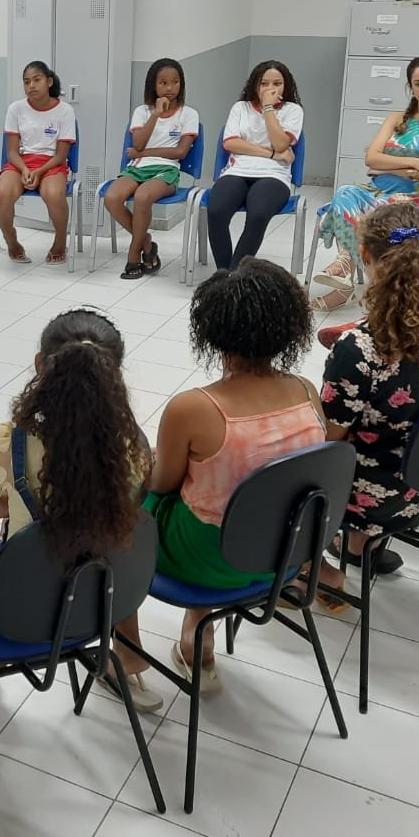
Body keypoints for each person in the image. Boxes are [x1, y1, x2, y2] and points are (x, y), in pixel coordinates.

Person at [0, 309, 161, 712]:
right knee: (103, 536)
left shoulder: (11, 442)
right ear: (115, 373)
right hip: (105, 595)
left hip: (25, 603)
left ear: (40, 365)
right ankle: (127, 651)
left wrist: (12, 491)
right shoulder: (134, 446)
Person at [145, 258, 322, 688]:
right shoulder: (306, 392)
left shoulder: (193, 407)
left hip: (209, 558)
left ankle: (131, 649)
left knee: (131, 500)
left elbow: (163, 486)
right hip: (285, 551)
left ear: (211, 330)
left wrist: (143, 461)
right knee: (219, 494)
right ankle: (198, 630)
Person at [313, 204, 419, 596]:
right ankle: (360, 545)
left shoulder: (360, 347)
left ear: (364, 255)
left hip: (372, 496)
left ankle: (309, 566)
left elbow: (327, 441)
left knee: (272, 460)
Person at [311, 56, 419, 314]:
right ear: (410, 87)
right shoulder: (395, 119)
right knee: (345, 193)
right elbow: (371, 159)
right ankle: (349, 267)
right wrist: (416, 164)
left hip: (417, 197)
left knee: (376, 212)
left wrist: (388, 165)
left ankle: (347, 275)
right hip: (378, 189)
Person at [101, 57, 198, 280]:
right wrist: (155, 114)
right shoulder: (142, 112)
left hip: (166, 170)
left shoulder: (189, 114)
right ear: (153, 85)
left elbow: (180, 152)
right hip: (137, 168)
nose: (170, 88)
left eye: (175, 82)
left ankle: (134, 253)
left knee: (143, 196)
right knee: (112, 198)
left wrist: (142, 153)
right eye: (163, 83)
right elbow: (137, 143)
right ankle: (146, 243)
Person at [205, 61, 305, 272]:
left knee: (258, 214)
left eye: (277, 83)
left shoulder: (293, 110)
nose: (270, 89)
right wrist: (271, 153)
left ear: (286, 86)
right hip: (237, 171)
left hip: (274, 175)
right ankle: (223, 272)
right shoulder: (240, 108)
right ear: (254, 85)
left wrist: (268, 108)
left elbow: (281, 143)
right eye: (264, 83)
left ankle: (234, 275)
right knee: (216, 211)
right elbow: (230, 143)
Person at [0, 60, 78, 265]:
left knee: (54, 195)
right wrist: (24, 169)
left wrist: (39, 172)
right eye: (26, 82)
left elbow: (61, 155)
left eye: (36, 80)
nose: (31, 85)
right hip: (20, 163)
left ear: (49, 82)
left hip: (51, 164)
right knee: (2, 194)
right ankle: (12, 241)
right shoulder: (16, 109)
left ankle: (60, 241)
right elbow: (11, 152)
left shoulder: (65, 110)